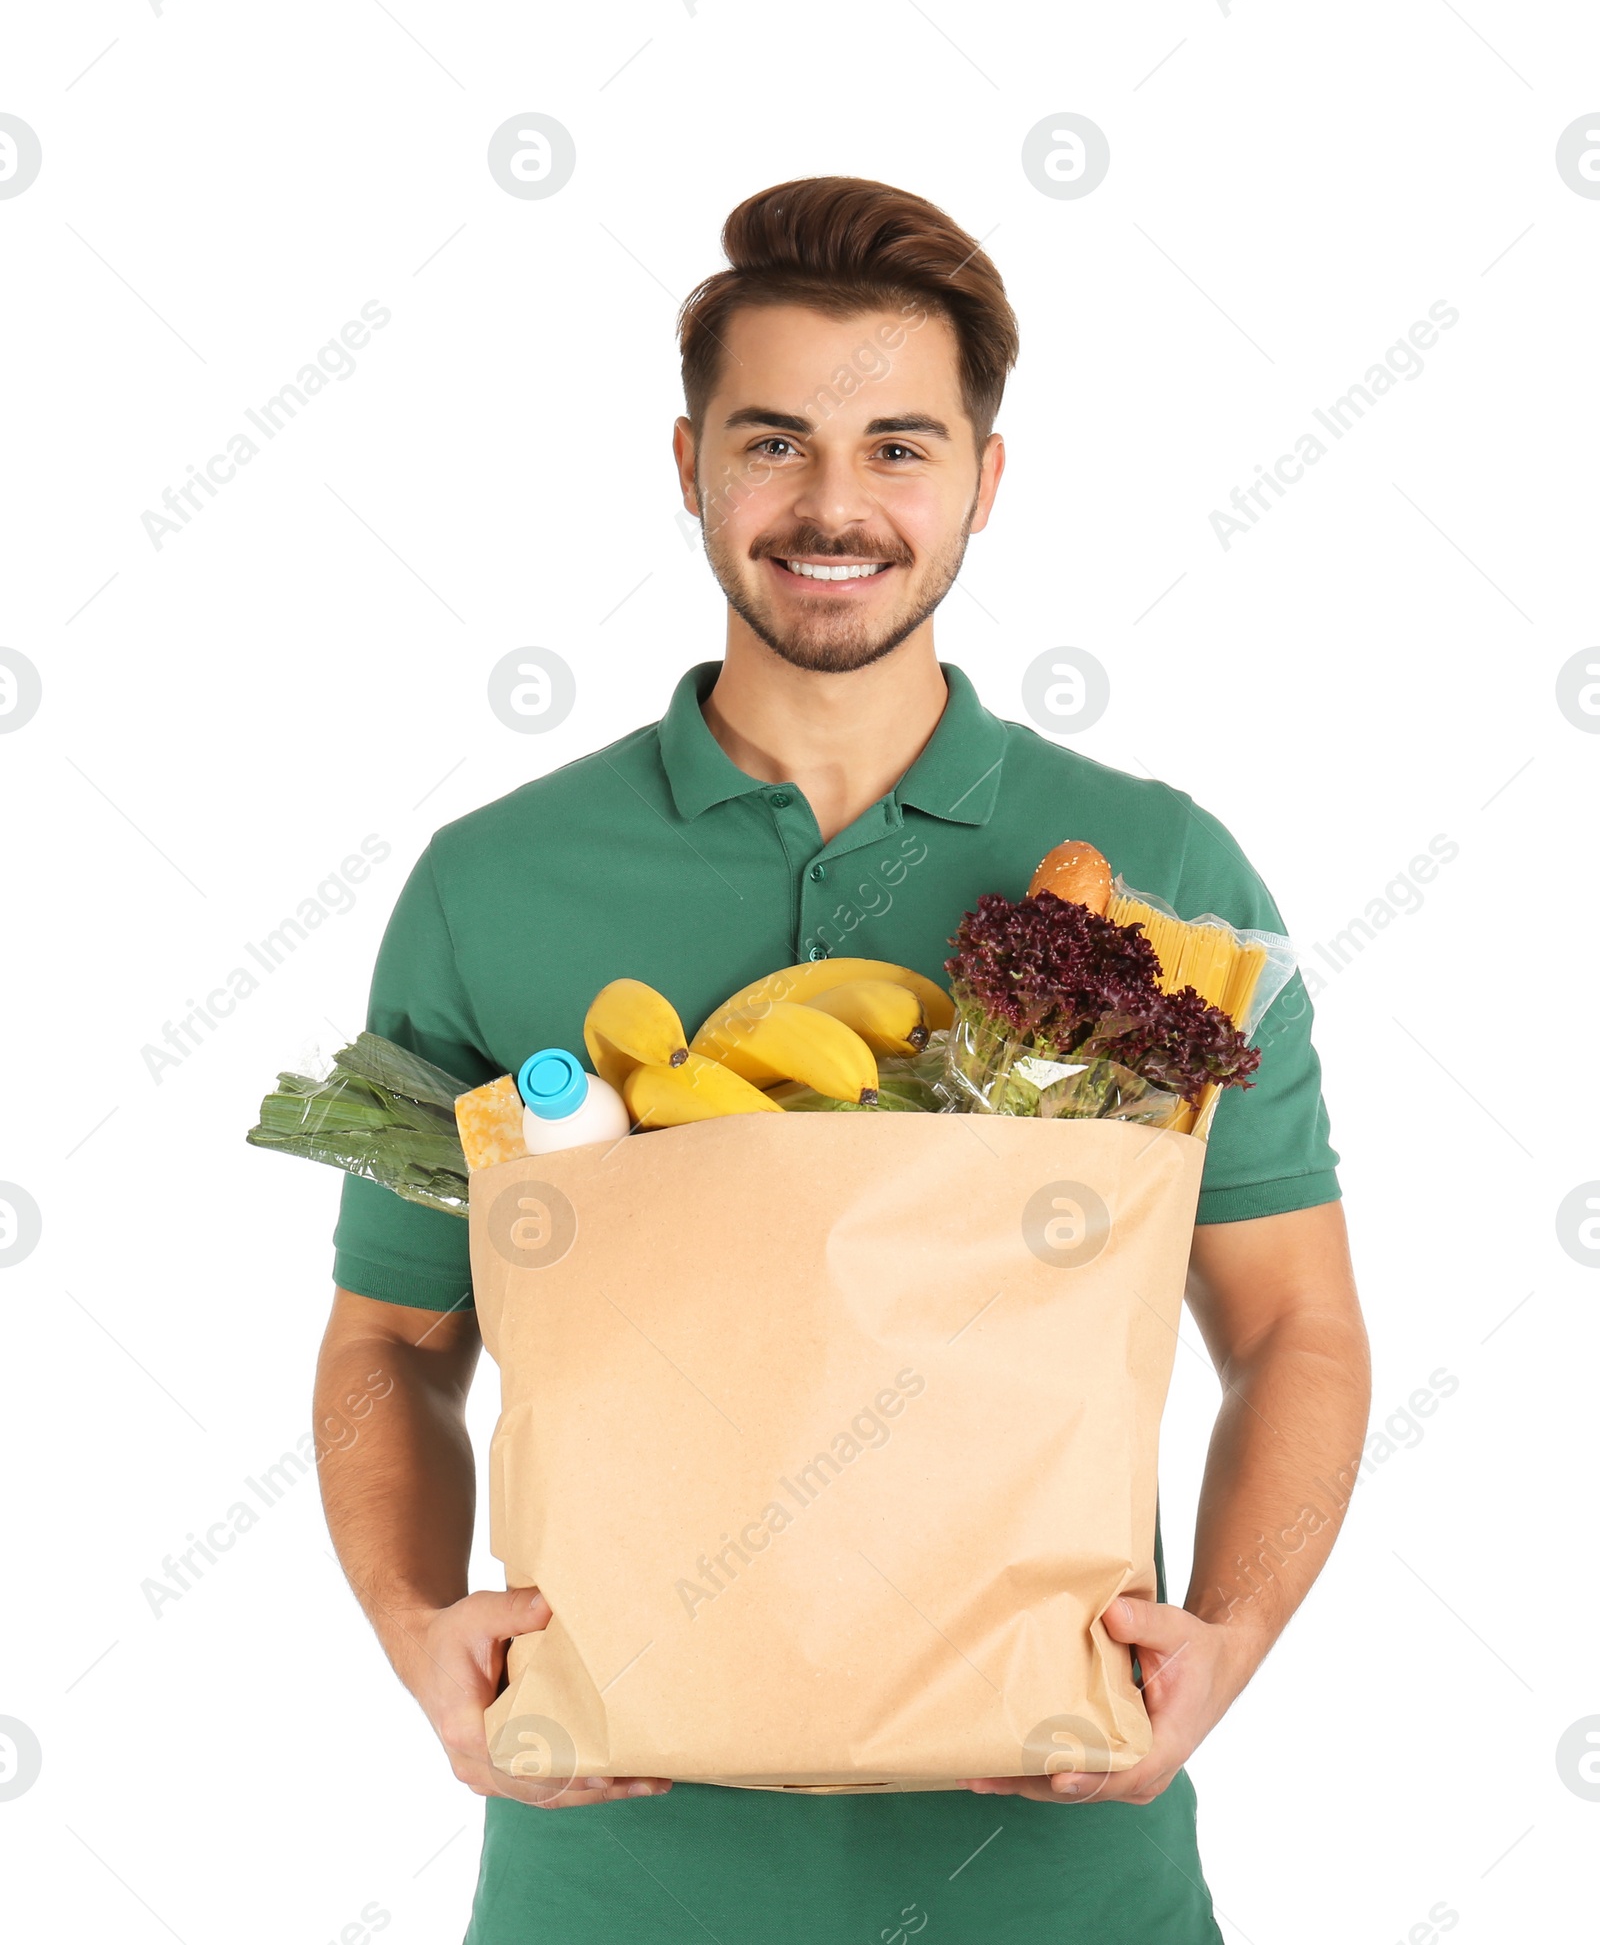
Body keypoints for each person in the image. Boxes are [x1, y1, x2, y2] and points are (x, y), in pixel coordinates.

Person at [315, 175, 1371, 1944]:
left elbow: (1294, 1326)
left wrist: (1234, 1640)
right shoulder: (494, 884)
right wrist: (417, 1624)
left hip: (1060, 1870)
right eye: (774, 441)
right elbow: (388, 1346)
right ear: (689, 464)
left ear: (984, 477)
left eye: (898, 445)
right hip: (611, 1871)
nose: (833, 506)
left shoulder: (1165, 871)